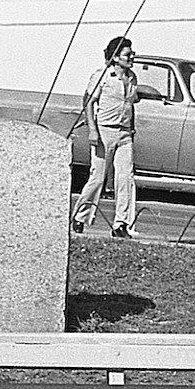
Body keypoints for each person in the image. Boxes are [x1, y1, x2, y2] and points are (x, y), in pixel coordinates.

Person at [72, 36, 140, 239]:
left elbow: (130, 105)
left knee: (125, 178)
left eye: (131, 54)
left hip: (124, 134)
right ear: (115, 57)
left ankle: (121, 224)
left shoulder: (133, 77)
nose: (131, 57)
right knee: (97, 177)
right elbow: (88, 102)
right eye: (127, 54)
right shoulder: (102, 76)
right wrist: (92, 130)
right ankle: (80, 216)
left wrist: (132, 130)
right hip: (104, 132)